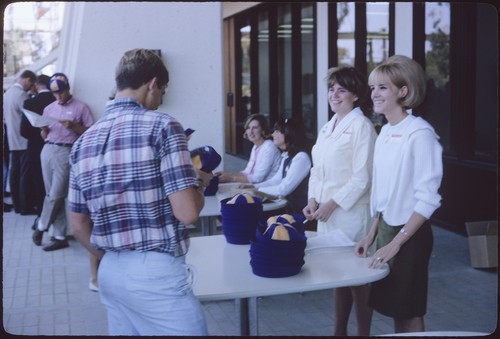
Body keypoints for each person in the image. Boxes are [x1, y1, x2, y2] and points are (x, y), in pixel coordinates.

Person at [67, 48, 211, 335]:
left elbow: (78, 224)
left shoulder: (83, 142)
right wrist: (198, 183)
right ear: (153, 83)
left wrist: (113, 257)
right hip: (156, 273)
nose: (160, 100)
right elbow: (187, 212)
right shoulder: (163, 126)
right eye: (163, 91)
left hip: (109, 272)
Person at [354, 55, 443, 334]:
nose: (374, 94)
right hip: (386, 230)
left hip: (410, 236)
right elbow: (385, 193)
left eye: (382, 87)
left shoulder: (420, 134)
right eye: (372, 87)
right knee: (395, 309)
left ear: (403, 91)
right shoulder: (385, 132)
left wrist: (397, 243)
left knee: (409, 311)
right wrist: (371, 235)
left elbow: (428, 198)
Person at [302, 66, 377, 336]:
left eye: (341, 90)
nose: (334, 94)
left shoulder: (362, 126)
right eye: (331, 89)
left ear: (355, 95)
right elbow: (316, 170)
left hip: (349, 215)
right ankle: (339, 332)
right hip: (325, 214)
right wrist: (312, 200)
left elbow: (362, 178)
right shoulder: (328, 126)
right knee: (337, 276)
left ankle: (363, 333)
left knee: (357, 280)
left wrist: (330, 204)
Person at [32, 73, 94, 251]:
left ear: (68, 89)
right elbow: (44, 135)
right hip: (48, 149)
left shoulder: (81, 107)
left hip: (66, 151)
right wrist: (43, 129)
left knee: (57, 194)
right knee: (51, 193)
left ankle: (41, 225)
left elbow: (90, 132)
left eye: (61, 92)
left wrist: (74, 126)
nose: (58, 96)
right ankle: (59, 236)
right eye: (55, 93)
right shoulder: (49, 108)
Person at [240, 116, 311, 215]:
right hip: (286, 207)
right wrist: (253, 187)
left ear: (288, 134)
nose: (273, 134)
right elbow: (276, 180)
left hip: (299, 211)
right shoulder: (286, 156)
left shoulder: (301, 158)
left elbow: (284, 189)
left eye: (277, 131)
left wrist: (257, 190)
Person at [21, 74, 56, 224]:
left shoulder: (29, 103)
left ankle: (42, 218)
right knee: (55, 188)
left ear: (36, 84)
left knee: (39, 185)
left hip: (35, 150)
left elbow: (23, 131)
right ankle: (56, 220)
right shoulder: (57, 100)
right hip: (56, 148)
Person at [3, 70, 36, 215]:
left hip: (11, 139)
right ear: (27, 80)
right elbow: (29, 118)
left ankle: (17, 205)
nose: (31, 87)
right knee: (24, 175)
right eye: (31, 83)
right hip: (22, 140)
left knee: (14, 173)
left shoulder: (7, 93)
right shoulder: (21, 95)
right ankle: (25, 207)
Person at [216, 113, 280, 184]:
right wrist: (228, 175)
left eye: (255, 128)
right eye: (248, 128)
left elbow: (258, 178)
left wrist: (231, 178)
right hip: (255, 186)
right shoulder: (256, 146)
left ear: (262, 130)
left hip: (267, 189)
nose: (251, 131)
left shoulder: (269, 147)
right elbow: (247, 172)